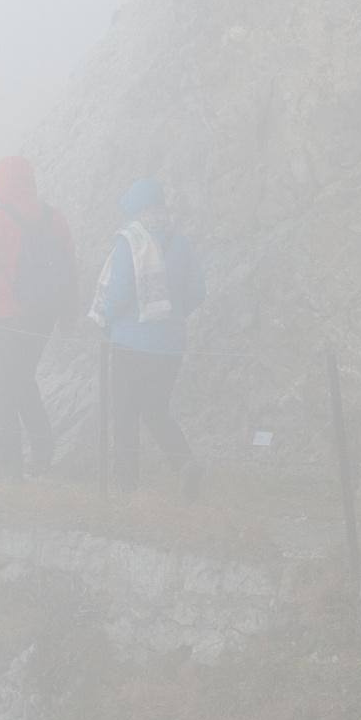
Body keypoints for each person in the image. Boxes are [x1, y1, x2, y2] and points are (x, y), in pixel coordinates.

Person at [0, 155, 76, 480]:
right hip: (45, 314)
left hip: (9, 315)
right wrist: (68, 315)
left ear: (1, 184)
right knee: (22, 380)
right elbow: (68, 270)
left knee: (6, 389)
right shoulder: (55, 217)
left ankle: (13, 463)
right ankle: (40, 455)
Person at [88, 177, 207, 501]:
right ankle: (185, 464)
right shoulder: (180, 242)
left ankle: (126, 486)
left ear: (136, 212)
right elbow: (197, 292)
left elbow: (122, 288)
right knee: (156, 410)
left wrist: (105, 320)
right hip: (171, 344)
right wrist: (172, 313)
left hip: (131, 343)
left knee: (125, 412)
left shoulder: (130, 242)